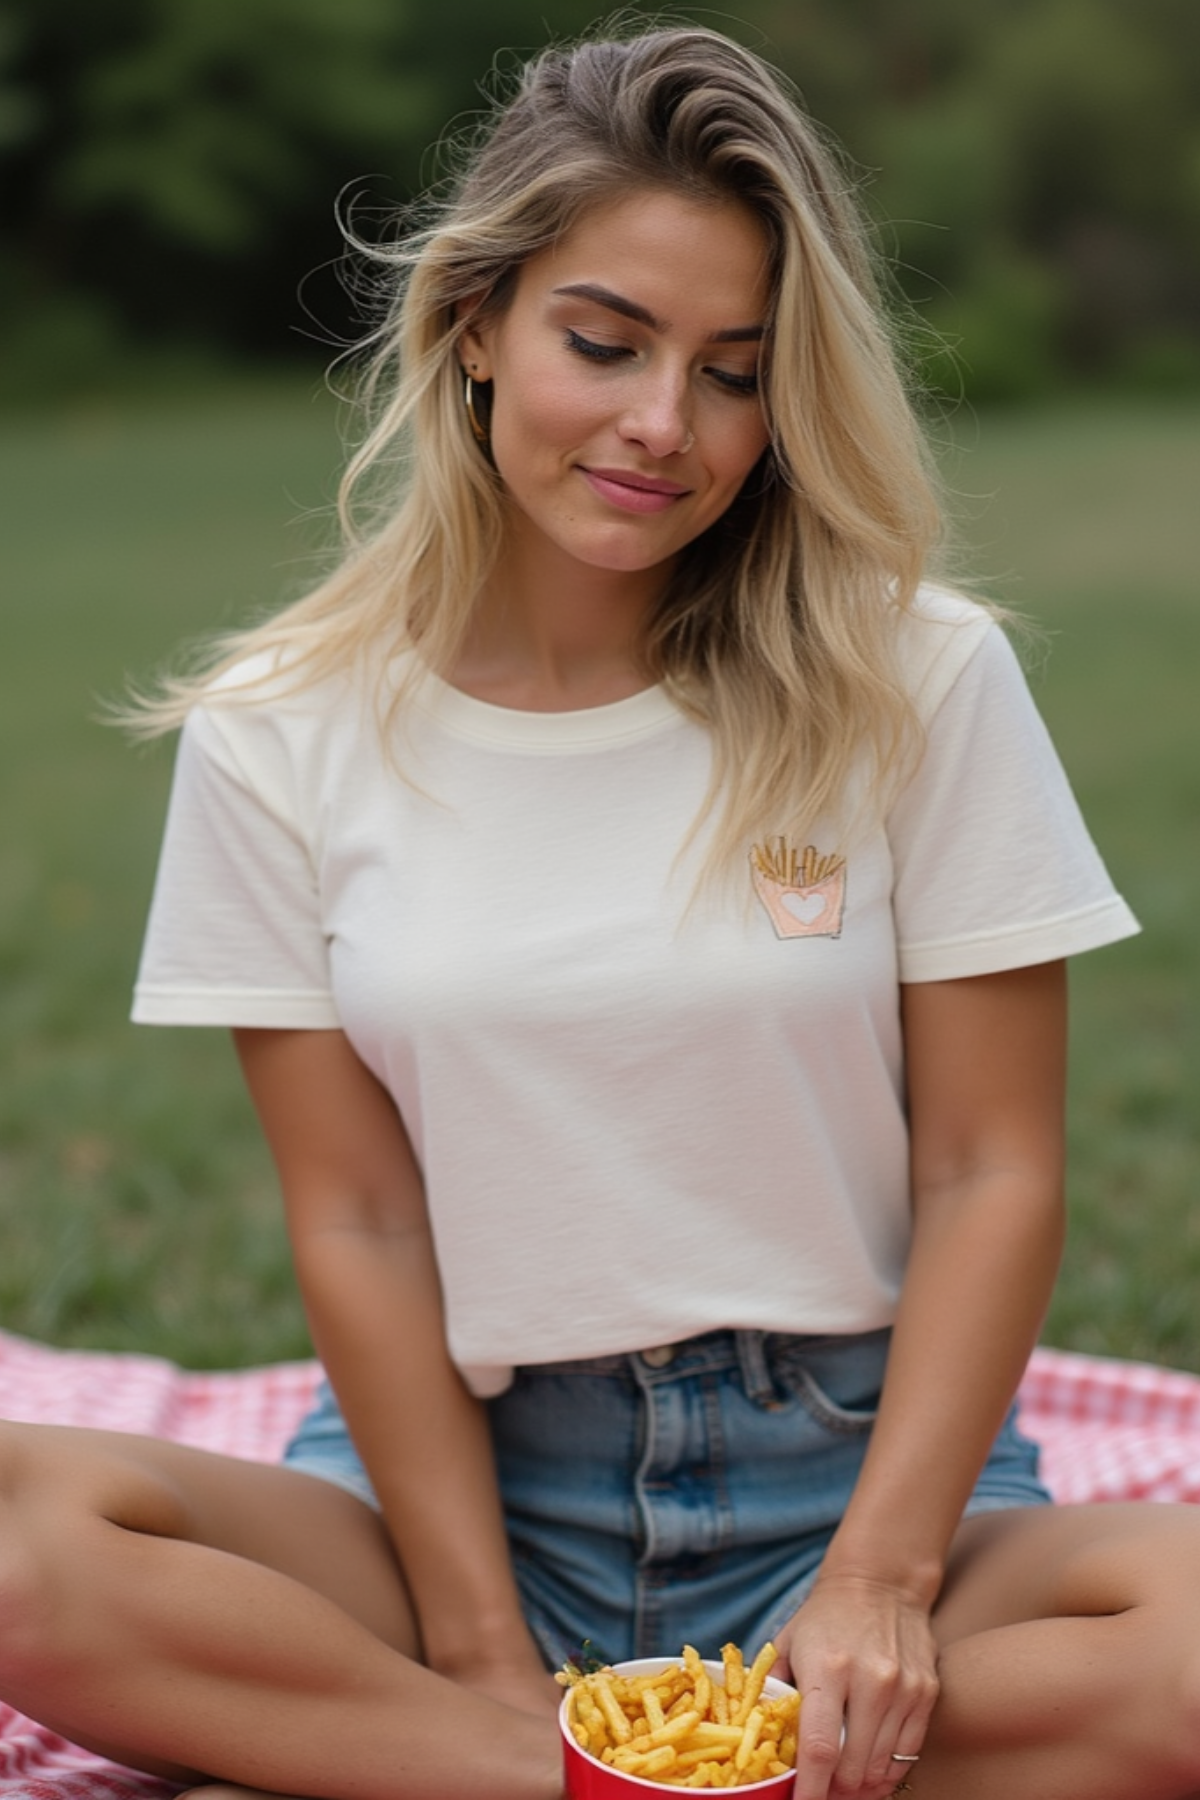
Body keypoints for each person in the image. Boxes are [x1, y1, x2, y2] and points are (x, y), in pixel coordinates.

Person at [1, 22, 1198, 1800]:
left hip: (847, 1479)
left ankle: (542, 1769)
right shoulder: (276, 731)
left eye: (736, 370)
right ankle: (584, 1761)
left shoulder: (917, 679)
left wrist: (879, 1577)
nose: (666, 425)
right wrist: (480, 1644)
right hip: (448, 1507)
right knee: (23, 1557)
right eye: (604, 342)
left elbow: (992, 1169)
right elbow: (361, 1222)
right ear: (476, 325)